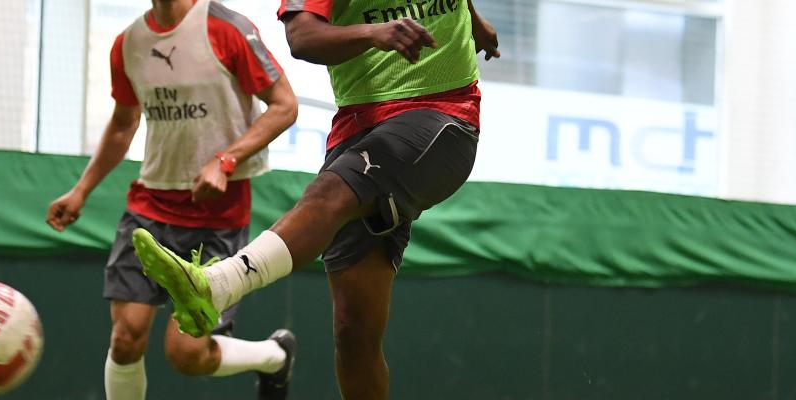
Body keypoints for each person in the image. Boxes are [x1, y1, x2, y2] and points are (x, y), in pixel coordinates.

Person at [131, 0, 501, 398]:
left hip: (444, 111)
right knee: (354, 332)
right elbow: (302, 37)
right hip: (358, 127)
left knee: (330, 192)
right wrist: (375, 33)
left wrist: (474, 22)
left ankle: (217, 285)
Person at [46, 0, 299, 398]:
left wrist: (225, 161)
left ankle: (273, 356)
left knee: (186, 353)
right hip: (150, 209)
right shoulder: (128, 43)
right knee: (125, 339)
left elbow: (285, 105)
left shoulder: (227, 28)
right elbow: (123, 124)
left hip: (219, 216)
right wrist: (81, 190)